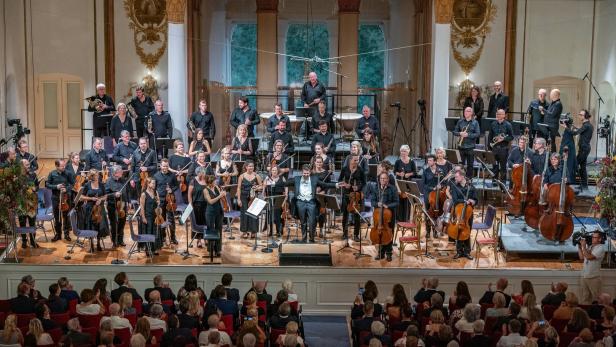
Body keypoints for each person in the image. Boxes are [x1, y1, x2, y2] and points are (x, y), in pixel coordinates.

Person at [288, 164, 338, 243]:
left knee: (312, 221)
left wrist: (336, 185)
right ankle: (304, 239)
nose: (306, 175)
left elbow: (324, 184)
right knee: (303, 222)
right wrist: (273, 183)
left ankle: (311, 239)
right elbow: (285, 183)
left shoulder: (314, 179)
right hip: (300, 202)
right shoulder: (296, 179)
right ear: (302, 172)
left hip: (311, 202)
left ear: (310, 172)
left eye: (307, 173)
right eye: (304, 173)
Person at [367, 172, 399, 262]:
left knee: (389, 234)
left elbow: (397, 202)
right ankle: (381, 253)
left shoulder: (392, 189)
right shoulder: (376, 188)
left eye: (384, 178)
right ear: (379, 179)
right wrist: (377, 203)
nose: (383, 180)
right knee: (379, 232)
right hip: (378, 215)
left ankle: (389, 253)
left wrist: (387, 206)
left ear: (388, 180)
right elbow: (372, 201)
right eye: (381, 178)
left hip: (389, 216)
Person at [446, 170, 477, 260]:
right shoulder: (455, 187)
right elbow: (455, 200)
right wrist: (464, 201)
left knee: (467, 231)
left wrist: (473, 201)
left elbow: (476, 200)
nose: (455, 178)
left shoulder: (471, 187)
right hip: (458, 213)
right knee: (458, 231)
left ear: (462, 176)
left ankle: (467, 252)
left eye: (456, 177)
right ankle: (459, 251)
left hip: (468, 214)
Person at [339, 156, 366, 242]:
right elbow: (339, 180)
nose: (357, 162)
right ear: (350, 160)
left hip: (356, 195)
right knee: (345, 215)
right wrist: (345, 184)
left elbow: (364, 183)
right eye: (355, 160)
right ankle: (345, 233)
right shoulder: (345, 169)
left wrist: (358, 187)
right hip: (346, 194)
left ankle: (356, 235)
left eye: (357, 160)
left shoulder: (360, 169)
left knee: (357, 215)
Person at [153, 158, 179, 245]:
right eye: (164, 166)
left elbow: (176, 186)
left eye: (167, 166)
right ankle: (163, 237)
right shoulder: (156, 176)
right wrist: (156, 198)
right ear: (160, 166)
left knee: (171, 219)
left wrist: (171, 189)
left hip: (170, 200)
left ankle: (173, 237)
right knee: (161, 219)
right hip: (160, 200)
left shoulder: (172, 175)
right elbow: (154, 188)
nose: (165, 168)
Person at [81, 169, 107, 252]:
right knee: (91, 226)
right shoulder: (87, 185)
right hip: (90, 208)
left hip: (99, 208)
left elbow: (105, 196)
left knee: (99, 226)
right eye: (96, 175)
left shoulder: (101, 184)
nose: (98, 176)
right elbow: (81, 197)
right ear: (92, 176)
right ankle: (91, 244)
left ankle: (98, 244)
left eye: (98, 175)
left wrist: (100, 200)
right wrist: (91, 198)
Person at [237, 161, 263, 239]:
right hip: (244, 197)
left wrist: (257, 187)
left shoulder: (257, 176)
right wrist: (238, 199)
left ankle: (253, 232)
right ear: (246, 167)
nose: (251, 167)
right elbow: (238, 188)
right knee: (244, 214)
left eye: (252, 166)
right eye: (249, 166)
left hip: (254, 197)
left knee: (254, 214)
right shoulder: (241, 176)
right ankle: (244, 232)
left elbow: (261, 186)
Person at [578, 230, 605, 304]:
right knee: (585, 298)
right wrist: (579, 247)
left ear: (600, 239)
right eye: (592, 237)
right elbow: (582, 258)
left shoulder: (601, 248)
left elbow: (589, 257)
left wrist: (583, 246)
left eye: (595, 237)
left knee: (598, 299)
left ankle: (598, 314)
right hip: (584, 276)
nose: (592, 238)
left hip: (594, 277)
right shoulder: (590, 247)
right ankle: (586, 314)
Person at [17, 159, 39, 248]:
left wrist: (35, 189)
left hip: (31, 203)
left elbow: (37, 186)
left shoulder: (33, 174)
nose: (29, 166)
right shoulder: (18, 176)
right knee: (22, 223)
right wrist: (27, 189)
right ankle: (24, 241)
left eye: (28, 164)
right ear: (21, 166)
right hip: (22, 203)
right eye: (26, 164)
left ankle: (33, 241)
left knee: (32, 223)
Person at [453, 107, 481, 177]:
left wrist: (468, 135)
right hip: (461, 146)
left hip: (470, 147)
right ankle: (459, 179)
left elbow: (478, 134)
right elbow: (454, 132)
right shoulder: (460, 121)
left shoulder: (475, 122)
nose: (466, 112)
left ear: (471, 113)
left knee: (470, 166)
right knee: (460, 165)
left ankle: (469, 181)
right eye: (465, 111)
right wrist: (460, 133)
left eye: (468, 111)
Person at [203, 175, 226, 257]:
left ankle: (218, 249)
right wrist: (220, 196)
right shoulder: (205, 190)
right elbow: (210, 201)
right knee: (211, 230)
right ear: (210, 183)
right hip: (210, 212)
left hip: (218, 211)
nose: (216, 182)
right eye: (214, 181)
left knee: (219, 230)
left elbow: (221, 198)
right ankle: (210, 249)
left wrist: (223, 195)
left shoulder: (216, 187)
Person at [106, 165, 129, 247]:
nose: (122, 172)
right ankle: (114, 241)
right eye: (120, 171)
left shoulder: (123, 180)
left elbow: (126, 192)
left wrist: (128, 202)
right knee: (113, 224)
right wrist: (114, 194)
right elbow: (106, 194)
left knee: (122, 223)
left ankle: (120, 240)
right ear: (115, 173)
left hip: (122, 205)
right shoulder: (108, 181)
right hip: (112, 205)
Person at [489, 109, 514, 181]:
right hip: (494, 148)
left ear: (504, 115)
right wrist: (490, 147)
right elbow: (490, 136)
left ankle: (502, 184)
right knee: (494, 167)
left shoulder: (508, 125)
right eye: (497, 114)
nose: (498, 115)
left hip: (503, 149)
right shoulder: (493, 124)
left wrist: (503, 139)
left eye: (500, 114)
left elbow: (511, 137)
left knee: (503, 167)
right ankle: (494, 182)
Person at [263, 165, 288, 238]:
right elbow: (264, 188)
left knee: (278, 215)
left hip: (279, 197)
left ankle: (278, 231)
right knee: (270, 215)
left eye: (275, 170)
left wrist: (286, 195)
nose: (274, 171)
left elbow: (286, 187)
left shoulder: (282, 178)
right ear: (271, 171)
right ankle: (270, 231)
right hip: (270, 197)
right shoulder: (267, 178)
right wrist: (264, 196)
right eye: (273, 170)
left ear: (278, 171)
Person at [571, 109, 594, 191]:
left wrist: (566, 127)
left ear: (585, 116)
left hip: (584, 149)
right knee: (583, 167)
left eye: (581, 114)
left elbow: (575, 133)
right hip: (584, 148)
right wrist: (574, 127)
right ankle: (584, 186)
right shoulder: (587, 125)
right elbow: (580, 131)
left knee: (575, 164)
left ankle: (580, 184)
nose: (579, 116)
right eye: (579, 114)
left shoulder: (586, 125)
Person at [422, 155, 442, 239]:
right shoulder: (425, 171)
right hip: (428, 195)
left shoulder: (440, 171)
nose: (429, 162)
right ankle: (428, 231)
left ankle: (435, 231)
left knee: (436, 214)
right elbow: (423, 184)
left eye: (430, 160)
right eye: (428, 160)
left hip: (437, 195)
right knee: (428, 213)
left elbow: (444, 182)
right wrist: (432, 188)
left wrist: (441, 186)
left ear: (434, 161)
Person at [395, 144, 417, 222]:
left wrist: (409, 174)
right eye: (401, 151)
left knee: (407, 200)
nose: (403, 153)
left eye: (404, 151)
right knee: (399, 200)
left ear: (408, 152)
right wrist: (399, 174)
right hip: (399, 183)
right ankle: (399, 219)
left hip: (408, 184)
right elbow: (395, 171)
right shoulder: (398, 161)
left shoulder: (412, 162)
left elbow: (415, 173)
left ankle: (406, 219)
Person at [139, 177, 160, 255]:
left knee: (154, 232)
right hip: (147, 216)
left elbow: (158, 202)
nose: (154, 185)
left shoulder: (156, 192)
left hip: (155, 216)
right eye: (153, 183)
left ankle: (154, 248)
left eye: (155, 183)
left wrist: (158, 202)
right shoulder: (144, 194)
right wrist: (143, 217)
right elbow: (142, 207)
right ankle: (147, 249)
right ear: (148, 184)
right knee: (148, 232)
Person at [188, 167, 207, 248]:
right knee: (199, 223)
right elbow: (189, 194)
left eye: (203, 173)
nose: (202, 174)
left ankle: (205, 238)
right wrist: (191, 205)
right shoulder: (193, 181)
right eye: (201, 173)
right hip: (197, 205)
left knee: (206, 222)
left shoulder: (206, 180)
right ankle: (199, 240)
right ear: (198, 173)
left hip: (206, 204)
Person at [559, 116, 577, 185]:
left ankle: (568, 180)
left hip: (568, 149)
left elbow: (573, 133)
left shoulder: (569, 128)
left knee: (569, 164)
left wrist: (563, 150)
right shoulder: (568, 128)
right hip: (567, 148)